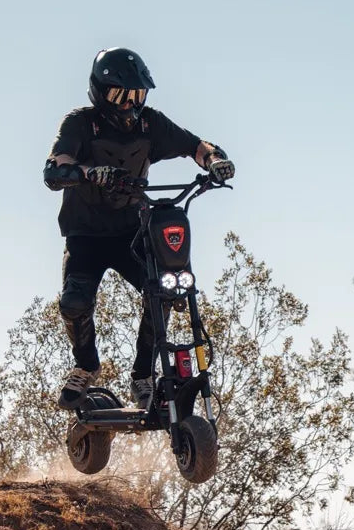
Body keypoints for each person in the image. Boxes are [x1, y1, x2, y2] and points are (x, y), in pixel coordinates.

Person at [44, 47, 235, 411]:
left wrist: (215, 161)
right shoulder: (80, 124)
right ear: (101, 93)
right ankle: (86, 366)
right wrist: (89, 173)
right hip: (85, 234)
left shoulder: (151, 124)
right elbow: (55, 169)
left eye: (138, 95)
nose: (131, 104)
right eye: (121, 95)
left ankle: (143, 375)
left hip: (131, 231)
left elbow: (196, 145)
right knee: (74, 302)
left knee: (163, 290)